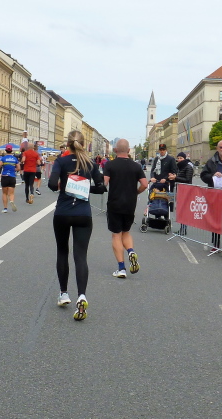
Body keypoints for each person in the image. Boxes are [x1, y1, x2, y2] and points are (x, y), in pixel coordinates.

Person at [48, 130, 104, 321]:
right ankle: (82, 296)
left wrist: (66, 186)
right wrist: (85, 188)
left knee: (62, 252)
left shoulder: (61, 161)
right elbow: (101, 187)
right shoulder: (91, 164)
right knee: (80, 256)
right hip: (83, 214)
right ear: (83, 143)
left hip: (63, 213)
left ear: (67, 144)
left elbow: (51, 184)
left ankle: (64, 293)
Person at [104, 139, 148, 279]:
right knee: (126, 232)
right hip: (130, 204)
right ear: (129, 151)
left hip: (115, 203)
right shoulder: (136, 166)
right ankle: (130, 251)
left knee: (116, 235)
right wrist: (136, 192)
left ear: (115, 150)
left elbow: (104, 183)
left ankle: (121, 268)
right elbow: (145, 184)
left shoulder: (110, 165)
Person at [0, 144, 20, 213]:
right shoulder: (15, 159)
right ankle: (11, 201)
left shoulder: (3, 158)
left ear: (5, 150)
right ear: (11, 151)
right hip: (12, 177)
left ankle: (5, 208)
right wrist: (14, 169)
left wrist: (2, 165)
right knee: (11, 193)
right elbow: (18, 168)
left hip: (5, 176)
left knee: (4, 193)